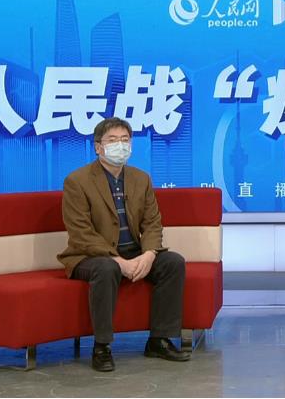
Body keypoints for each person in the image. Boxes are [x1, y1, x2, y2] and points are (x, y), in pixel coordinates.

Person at [58, 117, 190, 372]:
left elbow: (153, 223)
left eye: (125, 140)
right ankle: (102, 346)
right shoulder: (77, 181)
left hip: (134, 250)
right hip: (90, 256)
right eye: (113, 140)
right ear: (98, 147)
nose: (120, 145)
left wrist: (149, 254)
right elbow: (81, 233)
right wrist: (118, 262)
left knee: (173, 262)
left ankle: (159, 340)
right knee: (107, 268)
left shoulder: (141, 179)